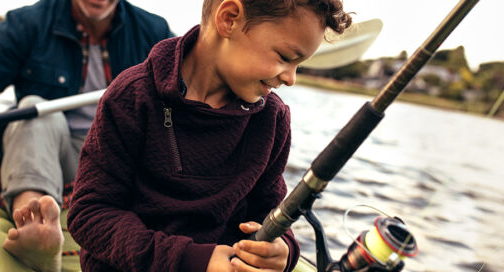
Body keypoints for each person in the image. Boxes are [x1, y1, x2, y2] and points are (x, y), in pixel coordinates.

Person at [67, 0, 352, 271]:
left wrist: (285, 250)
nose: (291, 78)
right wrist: (193, 261)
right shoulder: (132, 95)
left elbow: (269, 211)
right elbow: (90, 215)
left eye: (298, 65)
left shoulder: (272, 119)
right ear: (229, 19)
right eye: (285, 58)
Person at [0, 0, 172, 271]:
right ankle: (36, 221)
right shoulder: (29, 23)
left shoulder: (153, 31)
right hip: (50, 152)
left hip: (117, 157)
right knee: (32, 109)